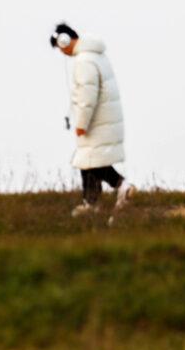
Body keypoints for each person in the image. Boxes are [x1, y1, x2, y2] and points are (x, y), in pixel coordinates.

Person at [50, 23, 134, 217]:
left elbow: (87, 97)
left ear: (64, 40)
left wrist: (81, 123)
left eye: (60, 47)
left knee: (90, 160)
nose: (62, 52)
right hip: (104, 120)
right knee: (90, 161)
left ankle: (121, 187)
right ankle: (93, 202)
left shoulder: (83, 61)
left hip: (96, 122)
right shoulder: (95, 56)